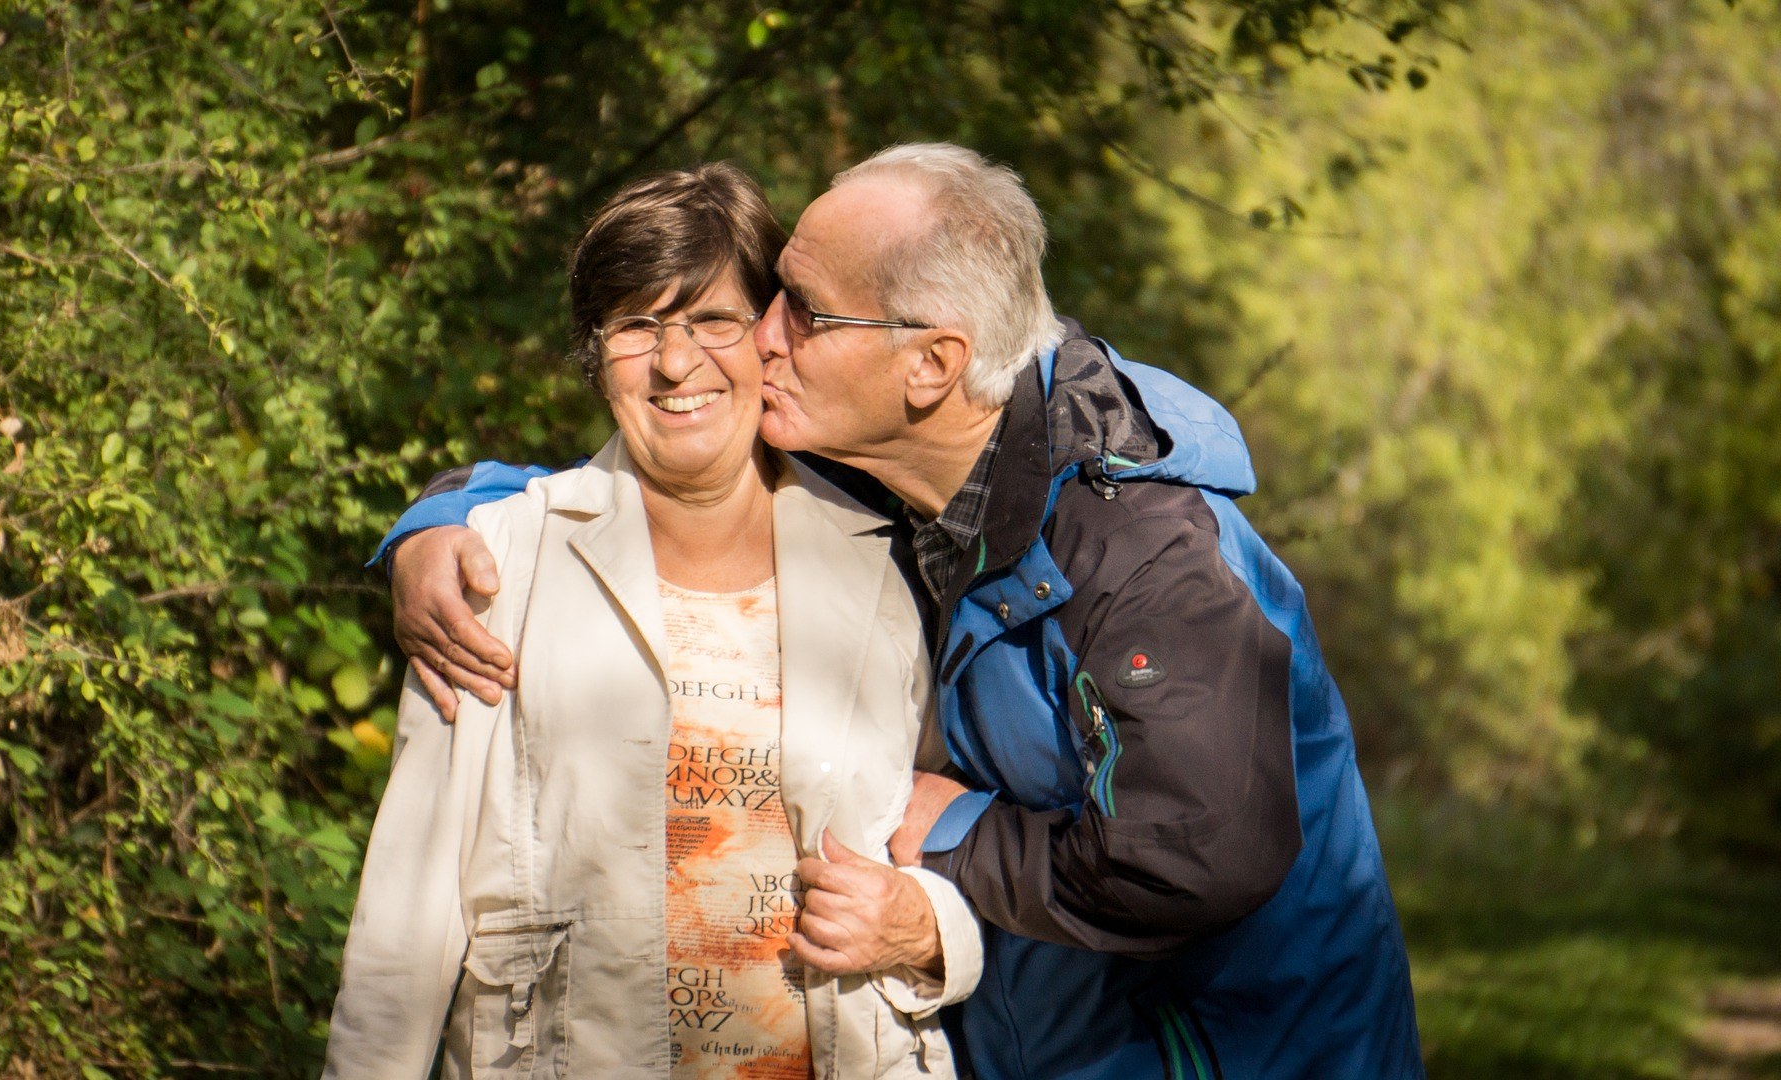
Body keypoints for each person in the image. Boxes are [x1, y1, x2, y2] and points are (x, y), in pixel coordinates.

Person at [382, 144, 1425, 1079]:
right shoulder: (901, 468)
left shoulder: (1142, 551)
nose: (759, 340)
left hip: (1227, 1051)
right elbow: (642, 476)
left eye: (803, 310)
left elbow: (1195, 854)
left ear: (931, 363)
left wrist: (957, 835)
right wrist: (443, 519)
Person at [324, 163, 982, 1079]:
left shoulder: (893, 567)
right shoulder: (498, 561)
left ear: (773, 334)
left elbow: (963, 842)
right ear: (598, 354)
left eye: (713, 320)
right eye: (636, 325)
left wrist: (933, 929)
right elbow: (406, 917)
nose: (675, 364)